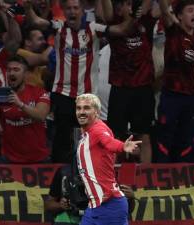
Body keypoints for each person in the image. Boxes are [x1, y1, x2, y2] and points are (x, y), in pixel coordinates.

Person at [24, 0, 136, 163]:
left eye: (75, 8)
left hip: (88, 95)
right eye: (68, 8)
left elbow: (122, 30)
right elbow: (36, 21)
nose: (72, 12)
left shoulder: (93, 28)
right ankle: (59, 176)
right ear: (63, 10)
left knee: (92, 137)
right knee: (62, 139)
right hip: (63, 93)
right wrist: (27, 8)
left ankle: (94, 171)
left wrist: (134, 13)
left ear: (82, 10)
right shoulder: (58, 27)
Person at [156, 0, 194, 162]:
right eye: (190, 10)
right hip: (171, 95)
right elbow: (165, 11)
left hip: (190, 97)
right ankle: (162, 179)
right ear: (179, 16)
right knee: (165, 138)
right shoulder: (174, 32)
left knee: (185, 139)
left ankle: (180, 181)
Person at [75, 93, 141, 225]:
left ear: (97, 112)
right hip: (95, 206)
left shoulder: (98, 129)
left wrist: (123, 146)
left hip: (109, 205)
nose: (81, 112)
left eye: (87, 108)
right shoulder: (87, 133)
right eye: (78, 108)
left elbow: (109, 142)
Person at [104, 0, 157, 163]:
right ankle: (111, 178)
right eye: (124, 4)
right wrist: (134, 16)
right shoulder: (114, 25)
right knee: (115, 137)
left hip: (143, 88)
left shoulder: (145, 22)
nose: (129, 7)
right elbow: (123, 26)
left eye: (130, 4)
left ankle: (145, 182)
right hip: (121, 88)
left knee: (144, 136)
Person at [0, 55, 51, 164]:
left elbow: (41, 115)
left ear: (26, 74)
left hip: (38, 159)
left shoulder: (39, 92)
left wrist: (20, 104)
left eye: (16, 70)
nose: (11, 73)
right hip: (9, 159)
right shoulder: (0, 95)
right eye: (9, 70)